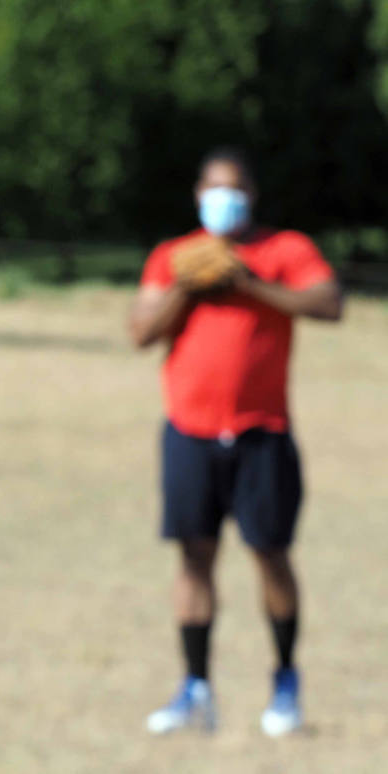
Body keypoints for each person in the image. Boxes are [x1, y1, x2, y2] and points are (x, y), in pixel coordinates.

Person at [128, 147, 342, 737]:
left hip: (261, 433)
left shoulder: (284, 250)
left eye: (237, 189)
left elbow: (329, 303)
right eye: (216, 188)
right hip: (189, 434)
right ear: (198, 193)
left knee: (270, 555)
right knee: (194, 558)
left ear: (253, 194)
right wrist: (189, 289)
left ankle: (285, 682)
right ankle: (196, 689)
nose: (226, 199)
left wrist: (248, 285)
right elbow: (141, 332)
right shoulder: (175, 257)